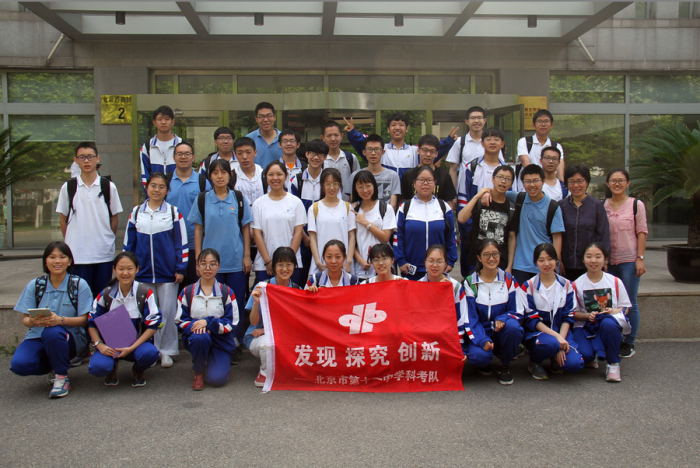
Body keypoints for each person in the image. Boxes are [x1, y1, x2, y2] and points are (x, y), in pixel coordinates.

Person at [9, 242, 93, 398]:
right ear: (45, 261)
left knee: (52, 333)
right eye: (52, 257)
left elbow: (84, 320)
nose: (57, 261)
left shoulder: (78, 285)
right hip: (37, 335)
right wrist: (33, 322)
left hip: (69, 339)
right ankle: (55, 366)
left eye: (62, 257)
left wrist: (59, 320)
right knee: (19, 365)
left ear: (69, 261)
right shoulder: (36, 285)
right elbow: (25, 319)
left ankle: (61, 377)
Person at [188, 158, 253, 357]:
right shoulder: (203, 199)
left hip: (235, 261)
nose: (219, 176)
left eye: (223, 172)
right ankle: (214, 341)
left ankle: (235, 342)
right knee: (213, 303)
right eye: (215, 172)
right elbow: (198, 230)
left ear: (230, 175)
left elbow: (246, 228)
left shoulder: (238, 198)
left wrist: (246, 256)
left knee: (236, 304)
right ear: (209, 176)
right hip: (210, 264)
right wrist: (199, 260)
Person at [123, 172, 188, 368]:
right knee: (146, 313)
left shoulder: (173, 213)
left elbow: (181, 243)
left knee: (167, 312)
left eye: (161, 187)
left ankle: (167, 351)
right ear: (147, 187)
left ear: (167, 190)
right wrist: (128, 269)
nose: (157, 190)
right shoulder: (136, 213)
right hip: (142, 274)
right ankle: (149, 350)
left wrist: (180, 268)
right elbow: (129, 244)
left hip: (167, 273)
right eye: (153, 185)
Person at [56, 142, 123, 299]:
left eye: (90, 157)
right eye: (82, 157)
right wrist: (70, 242)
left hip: (103, 254)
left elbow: (114, 218)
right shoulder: (68, 187)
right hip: (77, 254)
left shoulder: (108, 186)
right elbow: (63, 219)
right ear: (76, 160)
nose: (86, 161)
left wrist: (107, 238)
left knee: (102, 299)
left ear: (97, 159)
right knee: (79, 299)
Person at [87, 252, 161, 387]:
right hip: (109, 347)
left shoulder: (144, 292)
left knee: (150, 353)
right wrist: (99, 345)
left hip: (137, 345)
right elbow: (91, 322)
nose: (125, 273)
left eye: (129, 269)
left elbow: (153, 325)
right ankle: (111, 368)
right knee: (97, 367)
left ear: (137, 269)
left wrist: (132, 347)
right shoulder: (106, 294)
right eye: (121, 269)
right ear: (114, 269)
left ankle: (138, 370)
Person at [482, 164, 565, 285]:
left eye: (536, 180)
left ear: (543, 181)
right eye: (528, 181)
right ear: (523, 183)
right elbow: (498, 191)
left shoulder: (552, 206)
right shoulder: (519, 198)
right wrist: (486, 193)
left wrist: (555, 262)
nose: (532, 185)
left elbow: (557, 237)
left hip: (543, 263)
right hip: (520, 265)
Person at [462, 240, 523, 385]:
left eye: (495, 254)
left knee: (513, 328)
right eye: (486, 255)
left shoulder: (509, 280)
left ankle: (504, 364)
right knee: (479, 357)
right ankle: (486, 359)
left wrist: (503, 318)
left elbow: (518, 311)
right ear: (479, 258)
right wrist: (482, 339)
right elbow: (470, 318)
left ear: (500, 255)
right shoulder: (470, 282)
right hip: (481, 331)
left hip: (502, 330)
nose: (491, 258)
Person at [175, 249, 238, 390]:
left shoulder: (227, 292)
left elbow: (232, 323)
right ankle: (199, 371)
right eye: (203, 264)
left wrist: (209, 323)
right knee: (201, 337)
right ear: (197, 267)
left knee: (217, 380)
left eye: (212, 264)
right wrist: (198, 326)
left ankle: (215, 361)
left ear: (218, 267)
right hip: (197, 338)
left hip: (221, 340)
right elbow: (180, 320)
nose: (207, 268)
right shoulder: (187, 292)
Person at [521, 243, 584, 380]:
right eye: (541, 260)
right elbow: (533, 320)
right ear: (535, 262)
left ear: (556, 260)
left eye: (550, 259)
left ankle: (554, 358)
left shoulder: (567, 285)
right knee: (550, 344)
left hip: (562, 333)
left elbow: (568, 317)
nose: (546, 264)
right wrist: (557, 339)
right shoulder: (528, 287)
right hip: (539, 334)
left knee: (574, 364)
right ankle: (534, 362)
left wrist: (561, 341)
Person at [573, 242, 632, 382]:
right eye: (589, 256)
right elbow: (573, 313)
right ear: (583, 260)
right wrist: (588, 315)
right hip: (585, 326)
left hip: (608, 323)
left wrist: (613, 311)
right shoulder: (576, 284)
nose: (593, 260)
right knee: (584, 355)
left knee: (608, 324)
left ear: (605, 260)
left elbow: (625, 308)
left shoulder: (615, 281)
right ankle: (591, 356)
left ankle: (613, 364)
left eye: (598, 256)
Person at [604, 168, 648, 358]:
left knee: (630, 302)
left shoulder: (636, 205)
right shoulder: (603, 205)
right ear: (607, 184)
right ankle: (613, 337)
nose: (617, 184)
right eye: (613, 180)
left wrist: (640, 258)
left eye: (621, 180)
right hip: (609, 262)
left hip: (629, 261)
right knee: (609, 302)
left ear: (628, 183)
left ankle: (629, 341)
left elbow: (642, 232)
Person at [245, 247, 302, 388]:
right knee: (268, 343)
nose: (285, 269)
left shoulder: (297, 290)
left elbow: (296, 324)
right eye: (280, 265)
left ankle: (286, 369)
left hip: (281, 335)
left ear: (294, 266)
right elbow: (253, 322)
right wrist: (256, 303)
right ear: (274, 266)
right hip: (258, 338)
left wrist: (266, 330)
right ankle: (265, 372)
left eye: (289, 265)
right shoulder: (262, 287)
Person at [456, 127, 507, 274]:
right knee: (471, 270)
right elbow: (462, 197)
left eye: (496, 139)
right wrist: (468, 226)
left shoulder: (507, 170)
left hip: (499, 229)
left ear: (502, 144)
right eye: (488, 139)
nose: (492, 142)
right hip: (473, 228)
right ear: (482, 143)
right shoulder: (471, 167)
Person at [344, 113, 457, 179]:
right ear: (388, 129)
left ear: (406, 129)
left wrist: (449, 140)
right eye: (393, 125)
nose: (397, 128)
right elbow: (364, 143)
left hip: (408, 198)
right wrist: (352, 133)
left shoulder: (415, 151)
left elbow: (432, 149)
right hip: (386, 197)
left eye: (401, 125)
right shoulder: (381, 150)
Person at [394, 166, 457, 280]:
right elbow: (398, 237)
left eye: (429, 180)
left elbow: (452, 237)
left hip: (438, 270)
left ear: (435, 183)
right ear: (414, 183)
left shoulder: (444, 207)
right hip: (412, 270)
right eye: (421, 180)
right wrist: (401, 260)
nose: (425, 183)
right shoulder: (405, 208)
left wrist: (451, 261)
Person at [457, 165, 517, 277]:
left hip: (499, 261)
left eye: (507, 179)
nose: (503, 181)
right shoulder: (482, 201)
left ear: (511, 184)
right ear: (493, 179)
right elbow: (461, 218)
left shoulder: (512, 208)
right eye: (500, 177)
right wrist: (477, 196)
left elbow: (512, 237)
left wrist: (509, 266)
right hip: (476, 259)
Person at [252, 161, 306, 285]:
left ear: (286, 176)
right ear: (266, 177)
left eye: (279, 174)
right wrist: (268, 262)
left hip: (292, 264)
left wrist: (288, 262)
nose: (275, 178)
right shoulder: (258, 204)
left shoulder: (295, 202)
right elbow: (257, 234)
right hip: (264, 264)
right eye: (271, 174)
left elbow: (298, 233)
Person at [166, 141, 211, 287]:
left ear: (193, 157)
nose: (183, 157)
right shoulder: (165, 181)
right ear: (174, 157)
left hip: (194, 244)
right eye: (179, 154)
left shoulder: (203, 182)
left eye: (187, 154)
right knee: (171, 289)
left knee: (193, 288)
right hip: (171, 244)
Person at [559, 164, 610, 281]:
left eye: (580, 181)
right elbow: (556, 235)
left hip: (591, 265)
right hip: (566, 265)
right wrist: (558, 259)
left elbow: (603, 235)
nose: (576, 185)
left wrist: (603, 259)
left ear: (587, 182)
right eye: (572, 181)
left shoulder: (597, 206)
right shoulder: (561, 206)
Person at [417, 244, 468, 361]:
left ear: (445, 264)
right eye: (431, 261)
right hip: (424, 336)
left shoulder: (455, 287)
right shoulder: (417, 286)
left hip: (448, 336)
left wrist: (459, 347)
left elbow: (461, 319)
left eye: (439, 261)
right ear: (425, 262)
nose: (435, 265)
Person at [290, 139, 328, 283]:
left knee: (322, 277)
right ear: (306, 154)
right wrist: (305, 237)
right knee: (301, 276)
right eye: (312, 153)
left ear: (325, 157)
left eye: (320, 155)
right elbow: (293, 212)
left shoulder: (328, 180)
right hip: (301, 237)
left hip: (323, 235)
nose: (316, 158)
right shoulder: (296, 181)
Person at [307, 168, 356, 277]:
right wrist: (318, 262)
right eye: (328, 184)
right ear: (322, 186)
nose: (332, 188)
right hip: (321, 265)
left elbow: (352, 236)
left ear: (340, 185)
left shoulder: (347, 207)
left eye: (335, 184)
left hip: (343, 265)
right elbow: (313, 238)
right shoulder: (314, 208)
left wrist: (348, 261)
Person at [350, 171, 396, 280]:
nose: (365, 190)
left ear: (374, 186)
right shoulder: (353, 211)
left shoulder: (386, 208)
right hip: (362, 268)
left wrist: (366, 223)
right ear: (355, 189)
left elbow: (385, 237)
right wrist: (360, 260)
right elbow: (351, 241)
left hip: (384, 267)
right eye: (360, 187)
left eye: (368, 186)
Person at [346, 134, 401, 211]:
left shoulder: (393, 176)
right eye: (369, 149)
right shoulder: (355, 175)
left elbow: (393, 205)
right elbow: (353, 203)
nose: (373, 153)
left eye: (376, 149)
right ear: (364, 152)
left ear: (383, 152)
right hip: (361, 216)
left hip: (385, 216)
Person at [401, 134, 457, 208]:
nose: (428, 154)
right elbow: (403, 200)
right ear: (418, 150)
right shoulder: (408, 175)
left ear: (436, 153)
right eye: (425, 150)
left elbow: (449, 203)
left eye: (432, 151)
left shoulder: (444, 176)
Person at [139, 105, 183, 191]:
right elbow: (145, 175)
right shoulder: (147, 147)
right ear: (154, 123)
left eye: (167, 119)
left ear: (172, 122)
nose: (163, 122)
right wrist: (153, 192)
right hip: (155, 194)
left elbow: (187, 172)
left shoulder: (182, 144)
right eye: (159, 119)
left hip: (177, 194)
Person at [516, 109, 564, 182]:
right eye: (540, 121)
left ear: (552, 125)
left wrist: (561, 179)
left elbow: (560, 163)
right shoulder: (524, 142)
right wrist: (538, 180)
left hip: (548, 185)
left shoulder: (556, 146)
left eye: (546, 121)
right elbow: (525, 162)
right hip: (527, 184)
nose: (543, 124)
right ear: (533, 125)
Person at [321, 121, 360, 202]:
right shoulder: (320, 161)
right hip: (326, 205)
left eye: (336, 135)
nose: (333, 139)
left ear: (341, 136)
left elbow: (358, 181)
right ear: (323, 138)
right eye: (329, 136)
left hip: (348, 205)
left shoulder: (350, 158)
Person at [246, 101, 282, 169]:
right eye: (261, 116)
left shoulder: (284, 138)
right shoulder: (249, 139)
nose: (265, 119)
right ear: (256, 119)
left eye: (269, 116)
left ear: (274, 117)